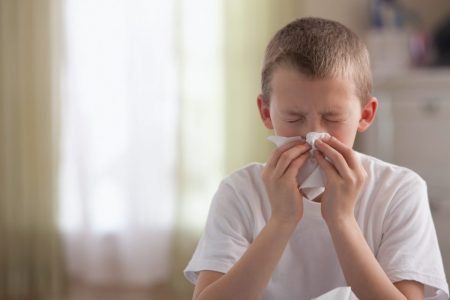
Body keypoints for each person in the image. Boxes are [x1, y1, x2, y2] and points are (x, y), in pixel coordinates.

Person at [184, 17, 449, 300]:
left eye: (332, 117)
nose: (313, 135)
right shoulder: (239, 192)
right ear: (265, 112)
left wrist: (342, 219)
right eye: (293, 117)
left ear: (366, 114)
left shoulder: (399, 190)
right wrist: (282, 220)